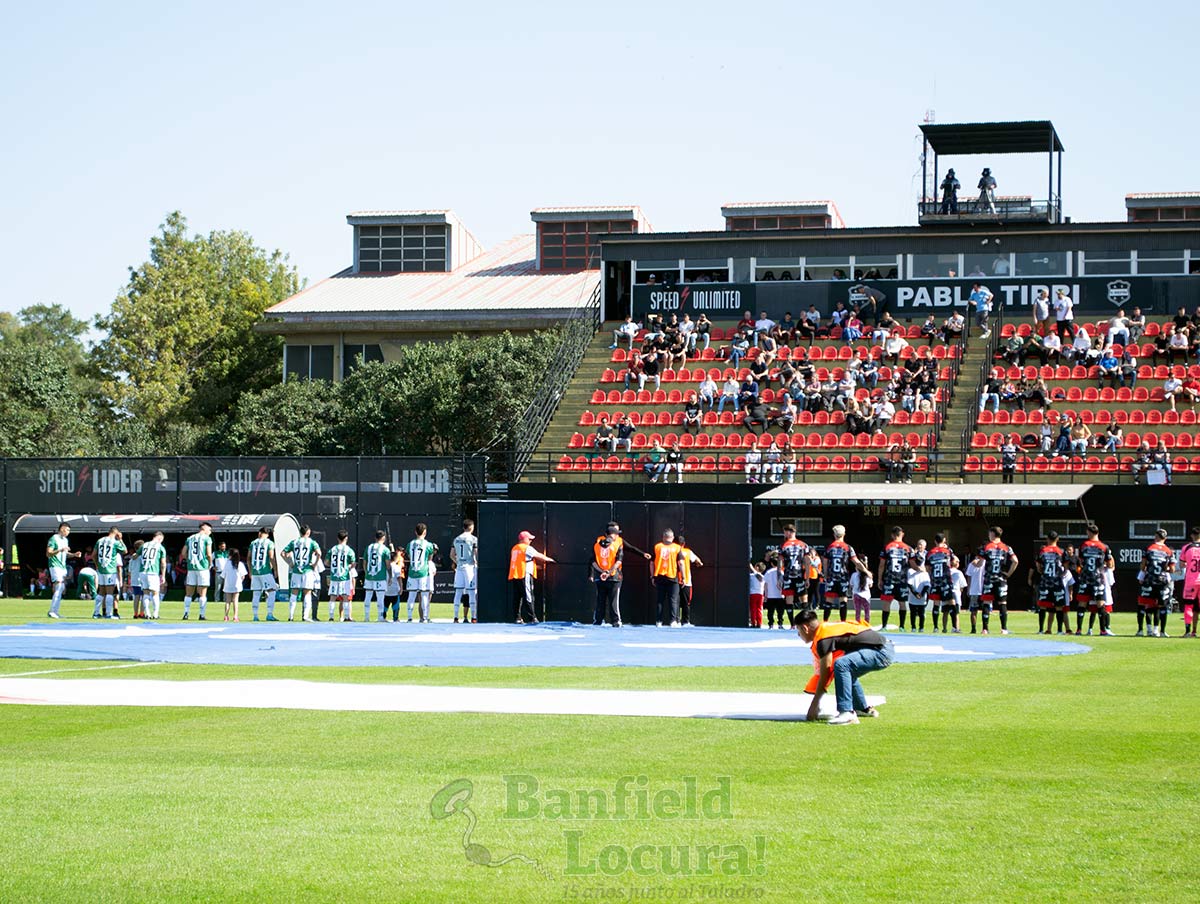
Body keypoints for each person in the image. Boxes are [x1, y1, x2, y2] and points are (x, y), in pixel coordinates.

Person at [797, 608, 894, 725]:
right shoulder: (826, 630)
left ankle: (847, 713)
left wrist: (815, 704)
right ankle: (861, 707)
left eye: (798, 630)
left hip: (882, 651)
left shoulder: (823, 638)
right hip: (883, 648)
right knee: (846, 670)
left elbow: (825, 673)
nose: (798, 635)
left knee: (842, 665)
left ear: (805, 628)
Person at [1075, 523, 1115, 637]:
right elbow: (1110, 563)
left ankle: (1078, 630)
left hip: (1086, 578)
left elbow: (1080, 561)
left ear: (1089, 532)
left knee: (1082, 604)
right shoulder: (1104, 546)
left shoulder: (1083, 545)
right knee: (1100, 605)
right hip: (1098, 579)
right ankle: (1103, 630)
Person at [510, 530, 553, 624]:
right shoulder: (526, 548)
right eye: (529, 539)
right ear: (524, 539)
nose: (530, 541)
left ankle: (517, 618)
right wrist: (549, 559)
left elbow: (521, 561)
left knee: (517, 597)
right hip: (524, 574)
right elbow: (538, 555)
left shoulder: (515, 548)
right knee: (528, 596)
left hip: (515, 575)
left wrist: (536, 567)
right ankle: (532, 618)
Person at [822, 525, 863, 622]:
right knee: (843, 600)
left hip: (831, 577)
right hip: (843, 577)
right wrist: (865, 571)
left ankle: (825, 622)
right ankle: (843, 622)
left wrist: (825, 574)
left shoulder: (829, 548)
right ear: (844, 534)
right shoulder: (848, 547)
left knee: (829, 601)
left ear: (834, 535)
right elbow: (856, 562)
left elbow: (825, 562)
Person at [1137, 528, 1175, 637]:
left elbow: (1143, 565)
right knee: (1162, 606)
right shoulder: (1168, 551)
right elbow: (1172, 569)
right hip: (1162, 581)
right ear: (1165, 538)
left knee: (1148, 604)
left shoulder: (1149, 548)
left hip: (1149, 580)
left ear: (1155, 537)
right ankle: (1160, 631)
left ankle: (1145, 630)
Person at [283, 524, 322, 622]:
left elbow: (282, 553)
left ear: (300, 533)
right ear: (308, 533)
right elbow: (319, 553)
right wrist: (314, 564)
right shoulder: (312, 542)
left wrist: (290, 563)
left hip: (296, 570)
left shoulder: (294, 542)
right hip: (307, 570)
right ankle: (305, 616)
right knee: (307, 593)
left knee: (294, 593)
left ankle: (291, 616)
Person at [877, 526, 912, 632]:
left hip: (889, 578)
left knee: (886, 603)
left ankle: (884, 625)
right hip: (902, 579)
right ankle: (901, 626)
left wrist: (880, 579)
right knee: (902, 603)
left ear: (892, 535)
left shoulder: (887, 547)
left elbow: (882, 565)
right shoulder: (908, 548)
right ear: (902, 534)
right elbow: (913, 564)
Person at [1034, 531, 1068, 635]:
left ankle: (1040, 629)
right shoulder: (1061, 552)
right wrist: (1061, 574)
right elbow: (1066, 567)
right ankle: (1059, 630)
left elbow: (1038, 567)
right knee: (1059, 606)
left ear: (1047, 539)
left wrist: (1043, 572)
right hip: (1057, 582)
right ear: (1057, 539)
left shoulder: (1043, 551)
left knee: (1043, 606)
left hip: (1045, 582)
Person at [591, 524, 625, 627]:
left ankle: (598, 621)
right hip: (614, 577)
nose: (617, 537)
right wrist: (608, 572)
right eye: (615, 535)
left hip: (601, 576)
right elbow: (619, 561)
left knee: (600, 600)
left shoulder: (596, 545)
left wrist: (602, 572)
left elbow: (593, 561)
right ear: (611, 535)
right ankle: (616, 621)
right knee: (614, 600)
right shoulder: (617, 545)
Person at [45, 522, 79, 620]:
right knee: (59, 586)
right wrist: (60, 550)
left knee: (62, 588)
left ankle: (55, 611)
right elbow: (48, 553)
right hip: (55, 565)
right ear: (62, 529)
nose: (68, 532)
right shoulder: (54, 538)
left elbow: (65, 553)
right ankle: (52, 611)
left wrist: (74, 555)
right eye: (67, 530)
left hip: (62, 566)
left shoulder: (65, 540)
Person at [652, 529, 686, 627]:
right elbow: (681, 563)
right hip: (672, 576)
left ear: (663, 537)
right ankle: (673, 621)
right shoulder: (677, 548)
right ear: (672, 537)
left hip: (659, 576)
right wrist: (683, 577)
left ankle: (658, 621)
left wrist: (652, 576)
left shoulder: (657, 547)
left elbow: (651, 563)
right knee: (673, 600)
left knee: (660, 600)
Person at [405, 523, 438, 623]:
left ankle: (410, 617)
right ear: (425, 532)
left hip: (412, 572)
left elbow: (409, 556)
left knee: (411, 595)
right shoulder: (428, 544)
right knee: (424, 595)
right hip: (423, 572)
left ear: (415, 532)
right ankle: (425, 617)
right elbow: (430, 559)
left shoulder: (410, 543)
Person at [777, 525, 811, 621]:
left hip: (788, 576)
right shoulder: (803, 545)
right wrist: (807, 578)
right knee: (804, 599)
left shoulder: (783, 545)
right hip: (799, 575)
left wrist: (779, 578)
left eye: (785, 532)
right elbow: (807, 563)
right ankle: (805, 622)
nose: (784, 534)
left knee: (789, 600)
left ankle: (792, 624)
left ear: (790, 532)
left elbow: (779, 564)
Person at [245, 527, 279, 622]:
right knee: (272, 591)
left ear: (260, 533)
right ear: (267, 534)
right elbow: (271, 557)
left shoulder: (253, 543)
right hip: (265, 571)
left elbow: (248, 558)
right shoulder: (269, 543)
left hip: (255, 571)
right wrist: (275, 569)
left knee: (256, 593)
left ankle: (255, 616)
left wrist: (250, 571)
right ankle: (269, 614)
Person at [93, 527, 127, 620]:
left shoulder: (100, 540)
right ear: (116, 534)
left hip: (101, 570)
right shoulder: (115, 542)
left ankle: (96, 613)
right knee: (109, 592)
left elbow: (93, 555)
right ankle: (108, 614)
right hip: (110, 570)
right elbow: (125, 551)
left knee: (101, 592)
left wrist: (97, 565)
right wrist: (121, 540)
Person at [182, 522, 214, 621]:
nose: (210, 532)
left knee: (189, 592)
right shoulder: (207, 538)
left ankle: (186, 613)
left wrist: (189, 560)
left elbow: (183, 553)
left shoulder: (190, 538)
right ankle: (201, 614)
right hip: (203, 567)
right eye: (209, 530)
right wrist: (210, 564)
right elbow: (209, 554)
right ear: (204, 528)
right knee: (202, 592)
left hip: (191, 568)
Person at [324, 530, 356, 622]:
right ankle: (346, 617)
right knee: (346, 596)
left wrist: (334, 566)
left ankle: (331, 616)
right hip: (344, 576)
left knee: (332, 596)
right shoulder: (349, 550)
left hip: (334, 576)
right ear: (346, 538)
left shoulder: (332, 549)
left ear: (337, 538)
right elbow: (353, 563)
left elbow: (326, 562)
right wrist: (348, 567)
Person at [450, 519, 478, 625]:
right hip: (469, 567)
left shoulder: (456, 539)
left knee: (458, 592)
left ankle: (456, 617)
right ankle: (473, 617)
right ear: (471, 527)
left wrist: (457, 561)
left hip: (459, 568)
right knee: (471, 592)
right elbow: (475, 553)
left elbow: (452, 554)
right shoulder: (473, 539)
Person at [925, 533, 955, 627]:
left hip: (935, 581)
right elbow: (953, 562)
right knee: (951, 601)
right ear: (944, 540)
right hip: (945, 580)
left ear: (935, 541)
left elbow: (927, 567)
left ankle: (935, 627)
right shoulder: (947, 551)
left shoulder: (930, 552)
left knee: (936, 603)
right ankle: (954, 626)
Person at [139, 531, 167, 621]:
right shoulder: (160, 547)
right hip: (153, 572)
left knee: (145, 593)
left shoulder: (144, 545)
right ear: (159, 538)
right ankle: (155, 614)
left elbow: (135, 555)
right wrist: (163, 575)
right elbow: (163, 563)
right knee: (155, 593)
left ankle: (147, 613)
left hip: (142, 571)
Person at [676, 535, 704, 626]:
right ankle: (686, 622)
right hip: (686, 581)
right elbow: (698, 561)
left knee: (675, 602)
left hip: (674, 580)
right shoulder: (688, 552)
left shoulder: (673, 551)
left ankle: (676, 621)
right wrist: (699, 564)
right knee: (686, 603)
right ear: (684, 544)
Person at [1179, 526, 1200, 639]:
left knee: (1189, 606)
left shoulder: (1186, 548)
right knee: (1197, 608)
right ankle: (1195, 631)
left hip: (1191, 581)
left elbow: (1182, 564)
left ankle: (1188, 631)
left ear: (1192, 535)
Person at [220, 549, 247, 623]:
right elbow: (243, 576)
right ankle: (235, 616)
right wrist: (240, 582)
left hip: (228, 584)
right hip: (237, 585)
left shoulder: (227, 563)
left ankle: (226, 616)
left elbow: (223, 575)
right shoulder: (240, 564)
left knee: (227, 601)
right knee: (235, 601)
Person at [762, 557, 785, 629]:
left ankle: (771, 624)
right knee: (780, 611)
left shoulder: (768, 572)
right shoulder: (781, 572)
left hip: (771, 595)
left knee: (770, 611)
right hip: (780, 595)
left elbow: (765, 584)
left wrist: (766, 594)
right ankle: (780, 624)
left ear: (771, 563)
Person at [384, 549, 405, 622]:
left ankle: (383, 617)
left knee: (385, 604)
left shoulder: (385, 567)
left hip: (386, 590)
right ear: (395, 558)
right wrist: (401, 588)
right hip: (394, 589)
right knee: (395, 605)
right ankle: (395, 617)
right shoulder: (396, 567)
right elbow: (399, 579)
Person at [749, 562, 766, 629]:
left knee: (754, 609)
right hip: (760, 594)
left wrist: (752, 569)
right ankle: (758, 623)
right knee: (758, 609)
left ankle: (754, 623)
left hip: (753, 594)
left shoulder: (754, 575)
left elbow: (760, 578)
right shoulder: (761, 576)